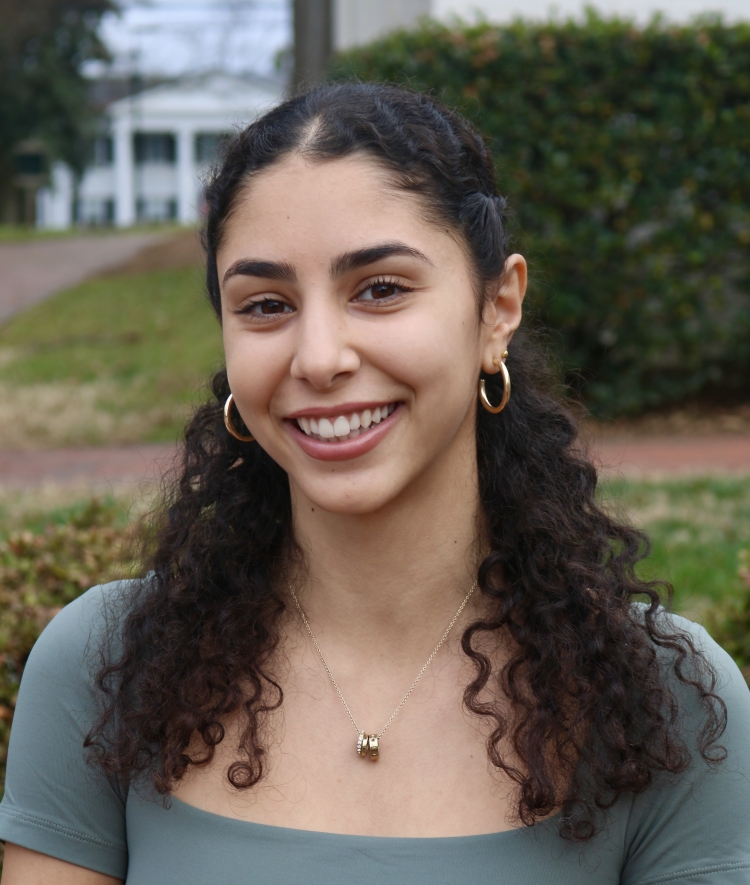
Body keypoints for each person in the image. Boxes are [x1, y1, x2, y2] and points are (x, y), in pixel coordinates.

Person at [0, 83, 748, 885]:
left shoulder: (668, 705)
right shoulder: (107, 667)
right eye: (264, 304)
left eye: (380, 289)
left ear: (497, 307)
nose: (319, 357)